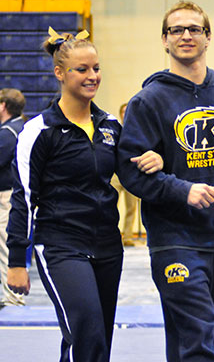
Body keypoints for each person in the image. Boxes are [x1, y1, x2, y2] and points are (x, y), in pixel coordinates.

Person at [116, 0, 214, 361]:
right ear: (165, 40)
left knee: (203, 340)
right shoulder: (148, 102)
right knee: (198, 338)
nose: (186, 35)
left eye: (194, 29)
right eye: (176, 30)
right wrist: (181, 190)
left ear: (208, 37)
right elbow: (130, 169)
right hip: (175, 240)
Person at [5, 29, 163, 361]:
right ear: (59, 73)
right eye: (82, 69)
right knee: (86, 331)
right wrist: (18, 261)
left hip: (107, 245)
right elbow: (24, 198)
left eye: (96, 68)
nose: (92, 76)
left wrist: (157, 159)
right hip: (61, 245)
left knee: (97, 340)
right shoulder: (40, 131)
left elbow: (133, 176)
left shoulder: (109, 126)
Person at [0, 88, 26, 306]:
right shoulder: (19, 127)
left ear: (3, 106)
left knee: (4, 244)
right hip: (10, 193)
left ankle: (13, 295)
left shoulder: (9, 132)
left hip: (6, 196)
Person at [110, 102, 139, 246]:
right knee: (110, 205)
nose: (125, 114)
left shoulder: (138, 130)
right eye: (123, 112)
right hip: (115, 173)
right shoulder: (114, 129)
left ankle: (127, 237)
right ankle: (111, 235)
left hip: (131, 172)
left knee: (131, 207)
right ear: (120, 114)